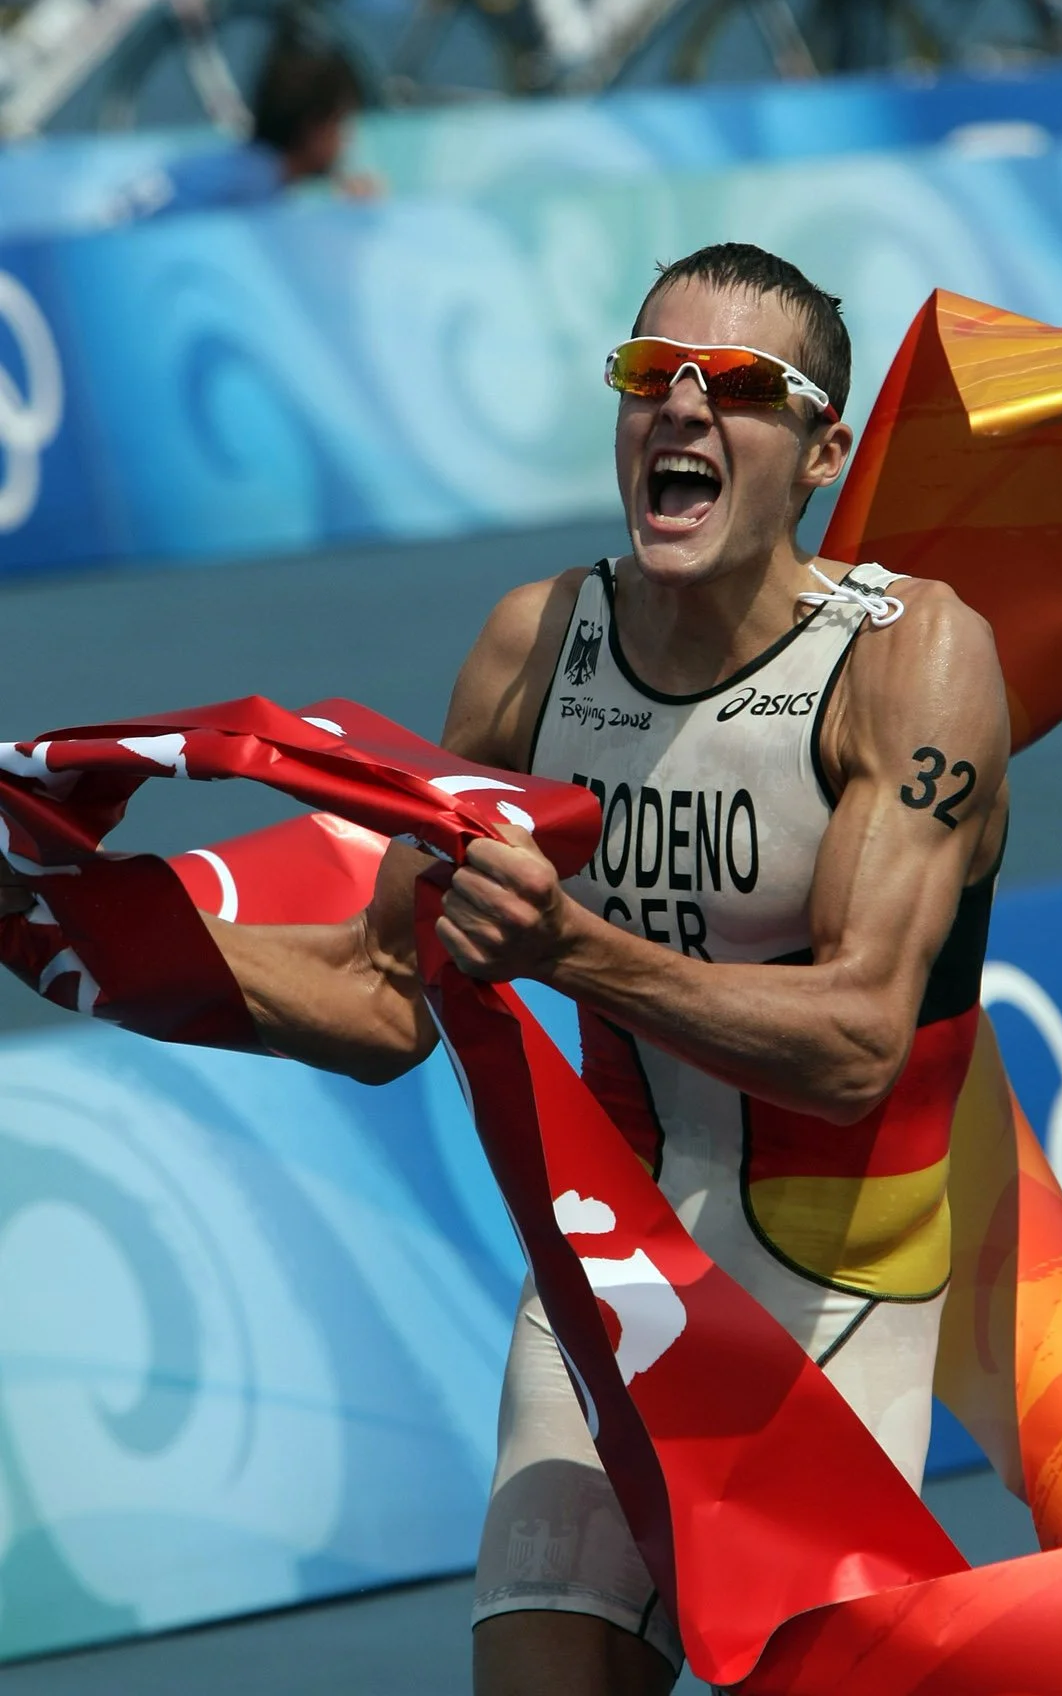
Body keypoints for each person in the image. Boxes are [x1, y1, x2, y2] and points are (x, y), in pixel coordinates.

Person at [0, 243, 1010, 1696]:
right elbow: (380, 995)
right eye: (643, 376)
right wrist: (72, 926)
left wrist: (572, 951)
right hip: (609, 1290)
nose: (679, 409)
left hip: (830, 1307)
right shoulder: (538, 647)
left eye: (732, 386)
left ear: (820, 453)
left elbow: (855, 1043)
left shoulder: (912, 660)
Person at [109, 29, 380, 223]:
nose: (348, 141)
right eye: (342, 124)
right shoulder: (256, 191)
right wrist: (355, 224)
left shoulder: (238, 169)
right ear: (315, 130)